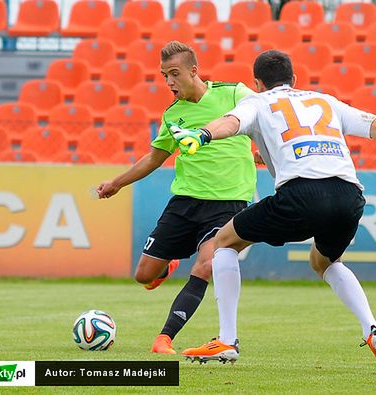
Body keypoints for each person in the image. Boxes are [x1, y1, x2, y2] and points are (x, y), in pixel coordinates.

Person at [171, 50, 376, 373]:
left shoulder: (258, 102)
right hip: (349, 196)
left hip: (301, 195)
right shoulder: (325, 101)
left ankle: (227, 339)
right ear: (294, 79)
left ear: (257, 83)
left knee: (223, 243)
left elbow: (231, 122)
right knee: (324, 262)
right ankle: (372, 329)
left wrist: (202, 134)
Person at [96, 41, 257, 355]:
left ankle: (164, 338)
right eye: (164, 75)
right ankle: (168, 265)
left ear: (193, 71)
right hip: (185, 203)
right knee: (144, 275)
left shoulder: (234, 93)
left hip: (228, 204)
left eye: (174, 74)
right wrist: (117, 183)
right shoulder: (173, 114)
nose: (168, 81)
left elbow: (266, 119)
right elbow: (153, 158)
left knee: (206, 265)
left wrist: (265, 152)